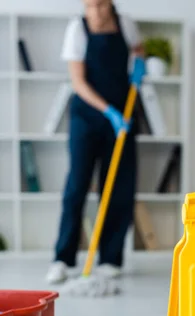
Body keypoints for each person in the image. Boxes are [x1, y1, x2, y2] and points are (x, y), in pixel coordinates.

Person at [46, 0, 145, 284]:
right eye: (90, 6)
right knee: (76, 186)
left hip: (123, 117)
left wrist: (139, 64)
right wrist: (108, 111)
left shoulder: (126, 24)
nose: (97, 13)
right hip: (87, 117)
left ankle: (110, 259)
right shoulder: (77, 29)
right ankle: (62, 259)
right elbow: (78, 82)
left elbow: (138, 48)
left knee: (118, 187)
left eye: (101, 5)